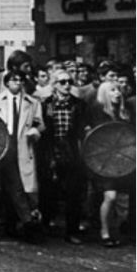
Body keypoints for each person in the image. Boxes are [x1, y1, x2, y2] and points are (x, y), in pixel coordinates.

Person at [0, 69, 44, 242]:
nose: (17, 83)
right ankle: (27, 223)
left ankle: (16, 224)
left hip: (22, 146)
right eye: (13, 80)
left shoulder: (32, 102)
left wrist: (36, 130)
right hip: (2, 147)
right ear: (6, 83)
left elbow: (40, 123)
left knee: (19, 186)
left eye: (20, 80)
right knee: (13, 185)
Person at [41, 70, 87, 244]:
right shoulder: (46, 104)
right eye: (62, 82)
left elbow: (82, 129)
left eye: (69, 82)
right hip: (51, 151)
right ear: (54, 85)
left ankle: (72, 231)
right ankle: (46, 224)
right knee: (48, 191)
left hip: (72, 152)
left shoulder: (79, 105)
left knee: (73, 193)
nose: (67, 85)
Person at [91, 82, 133, 247]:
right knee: (110, 196)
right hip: (104, 163)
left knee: (123, 199)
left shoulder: (125, 113)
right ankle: (104, 231)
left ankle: (116, 230)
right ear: (104, 94)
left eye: (118, 90)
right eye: (112, 90)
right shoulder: (98, 113)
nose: (117, 93)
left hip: (123, 161)